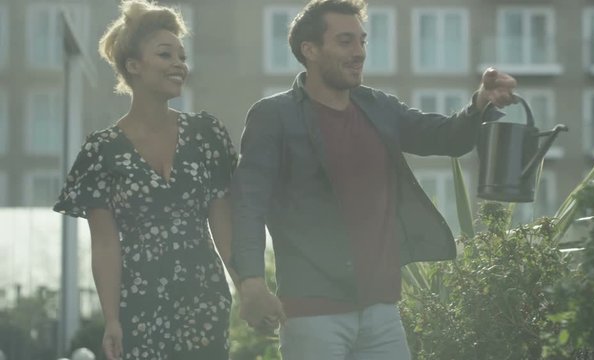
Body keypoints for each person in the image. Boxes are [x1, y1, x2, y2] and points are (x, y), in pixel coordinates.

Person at [230, 0, 517, 359]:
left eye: (363, 41)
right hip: (313, 312)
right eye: (346, 41)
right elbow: (248, 203)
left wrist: (480, 103)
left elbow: (447, 137)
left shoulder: (378, 107)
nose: (360, 52)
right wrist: (251, 281)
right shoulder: (274, 116)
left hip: (382, 310)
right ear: (310, 50)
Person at [53, 1, 237, 359]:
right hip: (138, 305)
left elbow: (223, 224)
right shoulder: (101, 150)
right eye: (166, 54)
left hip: (204, 297)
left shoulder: (205, 134)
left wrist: (248, 287)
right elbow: (105, 245)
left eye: (182, 57)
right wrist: (111, 321)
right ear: (133, 66)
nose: (179, 65)